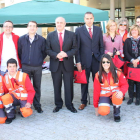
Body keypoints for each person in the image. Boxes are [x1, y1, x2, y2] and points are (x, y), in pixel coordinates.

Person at [46, 17, 78, 113]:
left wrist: (66, 54)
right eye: (57, 23)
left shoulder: (72, 35)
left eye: (61, 22)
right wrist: (56, 55)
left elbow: (75, 48)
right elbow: (47, 49)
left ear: (65, 24)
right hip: (55, 64)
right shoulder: (50, 35)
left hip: (67, 63)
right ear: (55, 24)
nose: (59, 24)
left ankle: (69, 105)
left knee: (69, 86)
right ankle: (58, 104)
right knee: (56, 86)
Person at [75, 12, 104, 110]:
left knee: (97, 81)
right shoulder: (78, 30)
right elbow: (77, 48)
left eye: (91, 18)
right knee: (84, 82)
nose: (89, 20)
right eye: (87, 18)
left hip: (96, 60)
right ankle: (84, 102)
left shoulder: (98, 29)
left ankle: (99, 100)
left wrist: (101, 58)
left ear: (93, 19)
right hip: (84, 61)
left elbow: (101, 45)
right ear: (84, 19)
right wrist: (78, 62)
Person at [18, 21, 47, 113]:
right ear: (27, 27)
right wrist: (25, 60)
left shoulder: (42, 39)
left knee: (37, 86)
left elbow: (44, 52)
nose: (32, 28)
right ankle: (26, 105)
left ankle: (37, 105)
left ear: (36, 28)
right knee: (26, 87)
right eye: (30, 26)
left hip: (37, 67)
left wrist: (38, 60)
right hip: (26, 66)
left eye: (34, 26)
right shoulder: (22, 39)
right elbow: (19, 52)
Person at [93, 54, 128, 122]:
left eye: (107, 62)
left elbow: (125, 85)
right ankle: (108, 104)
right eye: (103, 62)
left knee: (117, 97)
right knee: (103, 112)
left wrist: (121, 92)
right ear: (101, 63)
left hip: (116, 94)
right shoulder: (98, 75)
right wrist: (96, 107)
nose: (105, 64)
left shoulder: (117, 72)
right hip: (105, 95)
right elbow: (96, 91)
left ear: (110, 62)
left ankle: (116, 114)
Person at [1, 58, 35, 124]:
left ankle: (21, 110)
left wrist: (29, 102)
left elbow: (31, 91)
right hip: (14, 98)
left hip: (23, 99)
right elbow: (5, 91)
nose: (12, 68)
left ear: (17, 67)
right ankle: (11, 116)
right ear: (7, 67)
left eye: (14, 66)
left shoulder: (23, 76)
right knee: (5, 98)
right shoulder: (5, 77)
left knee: (27, 113)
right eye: (10, 66)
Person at [123, 25, 140, 105]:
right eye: (132, 30)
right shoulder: (127, 40)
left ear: (138, 31)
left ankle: (138, 98)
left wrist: (137, 59)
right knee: (131, 81)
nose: (134, 32)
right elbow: (125, 52)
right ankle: (130, 98)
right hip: (130, 63)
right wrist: (133, 60)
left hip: (139, 63)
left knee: (139, 82)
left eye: (136, 30)